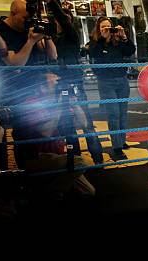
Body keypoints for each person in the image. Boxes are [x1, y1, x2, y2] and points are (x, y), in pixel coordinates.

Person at [48, 0, 103, 164]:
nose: (60, 22)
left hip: (75, 83)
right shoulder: (52, 39)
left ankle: (98, 160)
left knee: (86, 123)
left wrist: (52, 3)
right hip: (59, 84)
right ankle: (76, 161)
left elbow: (63, 20)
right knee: (67, 127)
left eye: (64, 20)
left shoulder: (72, 36)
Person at [88, 16, 135, 161]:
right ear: (98, 29)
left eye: (109, 26)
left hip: (122, 80)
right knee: (113, 113)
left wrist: (125, 37)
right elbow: (93, 53)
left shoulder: (117, 42)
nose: (107, 29)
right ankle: (117, 147)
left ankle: (121, 140)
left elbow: (130, 51)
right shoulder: (95, 43)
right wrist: (103, 38)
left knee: (122, 112)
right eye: (103, 27)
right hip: (105, 82)